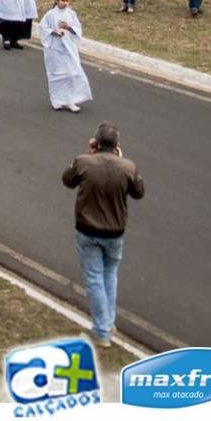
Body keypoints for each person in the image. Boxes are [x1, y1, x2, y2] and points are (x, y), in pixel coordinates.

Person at [61, 122, 145, 346]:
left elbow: (67, 179)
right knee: (110, 275)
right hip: (115, 232)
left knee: (94, 278)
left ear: (96, 143)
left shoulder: (83, 161)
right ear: (117, 145)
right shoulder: (128, 167)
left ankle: (101, 331)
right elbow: (139, 192)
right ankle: (108, 322)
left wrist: (89, 154)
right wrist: (122, 161)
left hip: (88, 230)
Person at [39, 0, 92, 112]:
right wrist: (54, 32)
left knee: (71, 74)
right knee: (57, 75)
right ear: (57, 0)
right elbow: (43, 28)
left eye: (67, 1)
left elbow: (77, 29)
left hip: (69, 49)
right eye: (63, 0)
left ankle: (69, 101)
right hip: (55, 49)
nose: (65, 3)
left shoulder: (71, 14)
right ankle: (56, 100)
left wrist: (68, 28)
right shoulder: (50, 14)